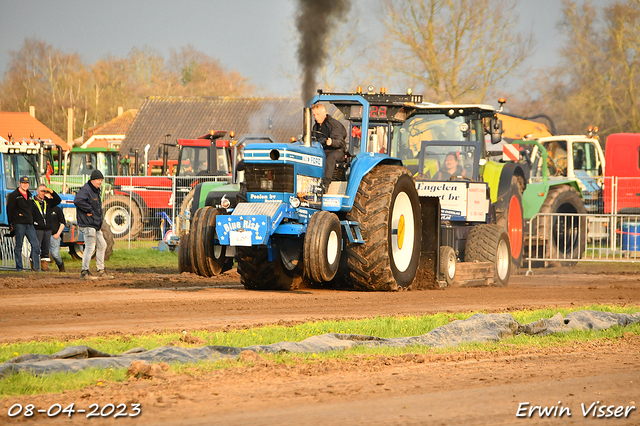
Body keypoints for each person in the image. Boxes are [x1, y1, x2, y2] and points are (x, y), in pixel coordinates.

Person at [74, 170, 113, 279]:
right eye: (99, 180)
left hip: (94, 224)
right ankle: (84, 271)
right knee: (90, 247)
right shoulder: (86, 190)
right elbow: (77, 201)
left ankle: (101, 270)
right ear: (93, 180)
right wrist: (89, 209)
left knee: (102, 245)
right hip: (87, 224)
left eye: (101, 180)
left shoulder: (95, 190)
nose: (100, 182)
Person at [7, 176, 41, 272]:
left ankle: (36, 267)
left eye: (27, 183)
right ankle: (19, 267)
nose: (25, 185)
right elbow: (10, 210)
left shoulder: (30, 195)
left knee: (36, 245)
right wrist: (11, 223)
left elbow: (32, 210)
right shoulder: (14, 195)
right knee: (19, 246)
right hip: (19, 224)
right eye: (23, 183)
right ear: (19, 183)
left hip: (29, 224)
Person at [312, 103, 347, 189]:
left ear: (324, 113)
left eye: (318, 114)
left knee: (330, 157)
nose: (316, 117)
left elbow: (340, 142)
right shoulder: (315, 126)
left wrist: (331, 142)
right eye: (314, 115)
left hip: (336, 151)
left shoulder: (334, 125)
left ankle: (325, 184)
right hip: (321, 150)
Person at [31, 184, 61, 271]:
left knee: (46, 249)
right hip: (38, 228)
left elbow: (58, 200)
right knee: (37, 247)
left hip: (47, 228)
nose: (43, 193)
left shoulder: (47, 202)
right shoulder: (32, 202)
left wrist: (51, 191)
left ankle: (44, 267)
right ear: (37, 191)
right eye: (41, 191)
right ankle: (34, 266)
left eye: (45, 191)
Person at [49, 204, 67, 272]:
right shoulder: (44, 208)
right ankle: (44, 268)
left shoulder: (57, 209)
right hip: (44, 235)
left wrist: (58, 233)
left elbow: (62, 222)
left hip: (54, 235)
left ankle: (61, 266)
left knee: (55, 254)